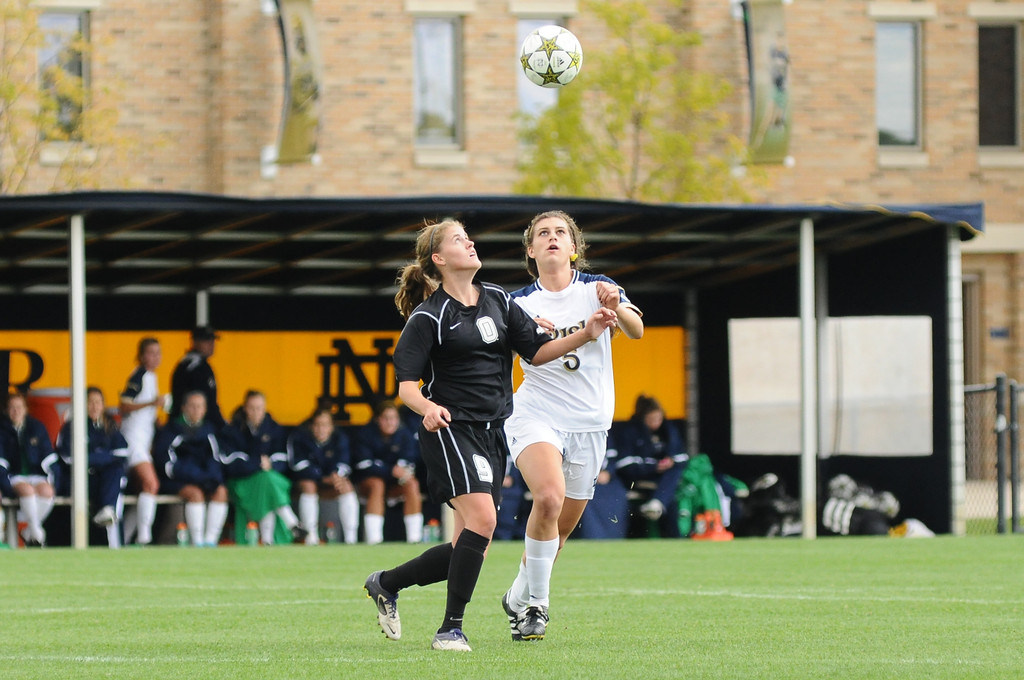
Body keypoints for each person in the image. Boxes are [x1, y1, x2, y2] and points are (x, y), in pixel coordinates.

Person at [362, 218, 617, 652]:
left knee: (471, 544)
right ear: (440, 260)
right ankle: (451, 629)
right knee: (484, 521)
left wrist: (586, 334)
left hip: (491, 432)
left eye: (469, 237)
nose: (471, 243)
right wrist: (427, 407)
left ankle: (386, 583)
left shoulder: (498, 299)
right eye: (460, 240)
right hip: (449, 429)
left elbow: (536, 352)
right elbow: (406, 387)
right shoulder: (428, 316)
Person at [500, 210, 644, 641]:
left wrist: (615, 306)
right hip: (536, 412)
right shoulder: (518, 304)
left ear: (573, 247)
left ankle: (517, 595)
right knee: (547, 497)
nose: (552, 238)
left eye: (560, 232)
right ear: (531, 250)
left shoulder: (598, 288)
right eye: (542, 233)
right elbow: (514, 358)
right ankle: (537, 608)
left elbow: (636, 331)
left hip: (590, 423)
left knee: (559, 532)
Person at [220, 390, 306, 545]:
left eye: (259, 408)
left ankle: (268, 539)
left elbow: (284, 459)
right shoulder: (233, 430)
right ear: (245, 408)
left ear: (265, 408)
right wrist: (258, 464)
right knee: (265, 480)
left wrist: (271, 464)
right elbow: (230, 461)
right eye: (252, 408)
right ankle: (290, 523)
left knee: (266, 481)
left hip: (270, 480)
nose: (255, 412)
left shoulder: (275, 429)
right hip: (242, 483)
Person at [54, 386, 129, 548]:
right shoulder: (71, 427)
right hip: (81, 482)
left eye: (98, 402)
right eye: (90, 402)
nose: (94, 406)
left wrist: (92, 458)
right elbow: (68, 458)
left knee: (116, 475)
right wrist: (102, 457)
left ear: (103, 405)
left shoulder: (110, 427)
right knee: (112, 474)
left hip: (107, 482)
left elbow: (123, 453)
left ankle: (111, 525)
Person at [152, 390, 228, 546]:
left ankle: (210, 541)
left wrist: (211, 478)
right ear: (184, 408)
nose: (196, 410)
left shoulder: (209, 430)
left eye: (199, 406)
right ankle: (197, 542)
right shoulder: (172, 429)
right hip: (176, 479)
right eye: (192, 406)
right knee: (195, 494)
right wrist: (198, 476)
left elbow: (215, 459)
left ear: (205, 409)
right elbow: (166, 463)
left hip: (203, 478)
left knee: (221, 491)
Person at [614, 394, 689, 539]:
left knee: (675, 474)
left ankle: (658, 504)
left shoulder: (669, 430)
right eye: (651, 420)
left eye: (659, 419)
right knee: (670, 493)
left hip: (663, 480)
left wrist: (670, 462)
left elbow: (683, 457)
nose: (656, 423)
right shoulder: (629, 432)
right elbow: (625, 465)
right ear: (642, 418)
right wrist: (654, 467)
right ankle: (659, 504)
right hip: (638, 478)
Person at [352, 400, 423, 544]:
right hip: (368, 484)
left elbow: (409, 460)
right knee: (377, 484)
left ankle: (414, 538)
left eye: (394, 418)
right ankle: (374, 540)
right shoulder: (365, 434)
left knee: (412, 483)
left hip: (396, 484)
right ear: (378, 419)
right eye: (386, 418)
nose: (390, 422)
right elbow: (364, 464)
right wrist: (390, 470)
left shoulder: (404, 434)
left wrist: (401, 470)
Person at [286, 407, 359, 545]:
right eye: (317, 425)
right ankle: (311, 537)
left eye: (325, 425)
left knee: (346, 485)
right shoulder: (299, 438)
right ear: (311, 426)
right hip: (306, 481)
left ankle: (351, 539)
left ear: (331, 427)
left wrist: (337, 475)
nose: (321, 429)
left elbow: (344, 463)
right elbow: (297, 465)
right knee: (309, 485)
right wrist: (321, 477)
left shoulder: (340, 438)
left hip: (331, 482)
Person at [118, 337, 165, 545]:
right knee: (151, 483)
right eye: (151, 352)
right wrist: (152, 403)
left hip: (144, 441)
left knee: (141, 492)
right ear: (141, 355)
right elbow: (124, 406)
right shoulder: (139, 375)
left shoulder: (152, 377)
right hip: (133, 439)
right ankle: (145, 536)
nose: (155, 357)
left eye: (158, 353)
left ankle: (126, 538)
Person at [0, 392, 58, 546]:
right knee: (27, 490)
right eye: (11, 408)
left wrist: (55, 479)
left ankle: (30, 530)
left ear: (25, 409)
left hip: (36, 475)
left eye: (19, 407)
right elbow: (2, 463)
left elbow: (49, 456)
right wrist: (6, 486)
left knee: (47, 491)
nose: (16, 411)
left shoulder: (36, 427)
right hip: (14, 476)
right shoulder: (2, 429)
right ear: (6, 411)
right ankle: (37, 533)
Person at [169, 326, 225, 430]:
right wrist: (221, 426)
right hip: (194, 427)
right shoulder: (196, 367)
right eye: (207, 340)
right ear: (195, 342)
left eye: (212, 340)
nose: (211, 344)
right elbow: (208, 403)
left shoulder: (188, 363)